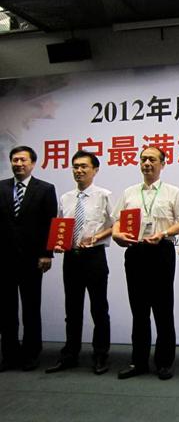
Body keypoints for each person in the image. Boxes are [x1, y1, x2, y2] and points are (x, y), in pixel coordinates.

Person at [112, 146, 179, 380]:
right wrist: (116, 234)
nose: (147, 163)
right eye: (143, 159)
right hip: (135, 252)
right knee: (139, 310)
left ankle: (164, 362)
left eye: (152, 160)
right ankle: (138, 362)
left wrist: (164, 233)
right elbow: (117, 221)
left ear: (162, 164)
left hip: (161, 251)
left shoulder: (173, 192)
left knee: (163, 309)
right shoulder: (129, 192)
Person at [45, 150, 113, 375]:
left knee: (99, 308)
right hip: (71, 258)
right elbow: (60, 227)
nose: (79, 170)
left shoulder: (104, 195)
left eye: (84, 166)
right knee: (72, 309)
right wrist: (57, 243)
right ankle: (70, 354)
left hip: (94, 257)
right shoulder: (65, 197)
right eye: (75, 166)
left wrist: (97, 236)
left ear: (95, 170)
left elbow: (116, 225)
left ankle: (100, 354)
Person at [0, 145, 57, 372]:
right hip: (4, 259)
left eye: (23, 160)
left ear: (33, 163)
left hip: (32, 259)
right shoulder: (1, 187)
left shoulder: (45, 189)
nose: (18, 164)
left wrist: (47, 253)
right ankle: (9, 354)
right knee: (6, 310)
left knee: (31, 308)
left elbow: (50, 223)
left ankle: (32, 354)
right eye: (15, 160)